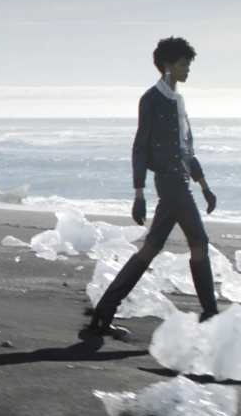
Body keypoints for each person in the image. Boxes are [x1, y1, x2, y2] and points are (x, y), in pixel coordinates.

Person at [88, 37, 218, 341]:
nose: (188, 69)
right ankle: (211, 317)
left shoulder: (178, 100)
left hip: (181, 182)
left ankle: (104, 312)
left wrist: (204, 186)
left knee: (151, 246)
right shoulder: (152, 99)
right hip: (169, 183)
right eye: (184, 64)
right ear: (168, 65)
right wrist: (138, 193)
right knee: (198, 241)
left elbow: (187, 149)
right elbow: (140, 147)